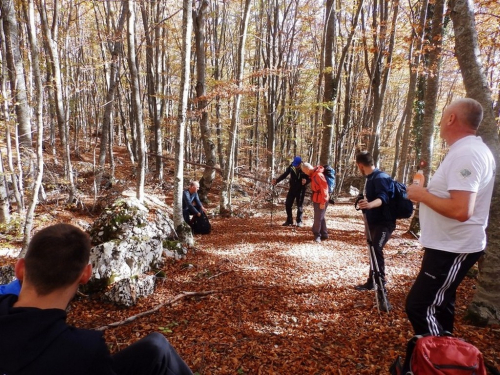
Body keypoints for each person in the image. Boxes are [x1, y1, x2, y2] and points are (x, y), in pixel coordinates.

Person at [0, 223, 193, 375]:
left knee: (154, 349)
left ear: (19, 269)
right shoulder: (83, 350)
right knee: (158, 350)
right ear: (86, 274)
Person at [405, 98, 495, 338]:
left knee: (419, 306)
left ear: (451, 118)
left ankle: (441, 362)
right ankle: (448, 360)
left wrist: (422, 194)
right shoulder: (467, 151)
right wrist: (425, 191)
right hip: (447, 245)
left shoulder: (467, 154)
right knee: (441, 305)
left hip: (453, 248)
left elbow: (461, 210)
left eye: (444, 114)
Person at [354, 151, 396, 311]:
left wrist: (370, 205)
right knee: (372, 249)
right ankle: (371, 282)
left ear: (360, 165)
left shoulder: (380, 178)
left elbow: (383, 197)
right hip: (373, 221)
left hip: (384, 224)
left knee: (376, 250)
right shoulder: (370, 178)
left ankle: (382, 291)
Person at [272, 156, 310, 227]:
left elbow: (310, 177)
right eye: (295, 164)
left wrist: (306, 181)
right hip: (292, 188)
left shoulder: (305, 168)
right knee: (288, 204)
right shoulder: (291, 166)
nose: (295, 166)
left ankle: (299, 221)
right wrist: (277, 181)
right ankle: (289, 220)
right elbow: (285, 174)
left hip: (301, 189)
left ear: (300, 163)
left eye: (297, 165)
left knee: (299, 206)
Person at [300, 163, 329, 243]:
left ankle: (317, 235)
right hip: (316, 199)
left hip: (321, 199)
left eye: (305, 171)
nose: (305, 173)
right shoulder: (313, 175)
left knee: (318, 218)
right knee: (320, 217)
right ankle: (324, 234)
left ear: (307, 169)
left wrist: (323, 202)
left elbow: (325, 189)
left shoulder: (319, 175)